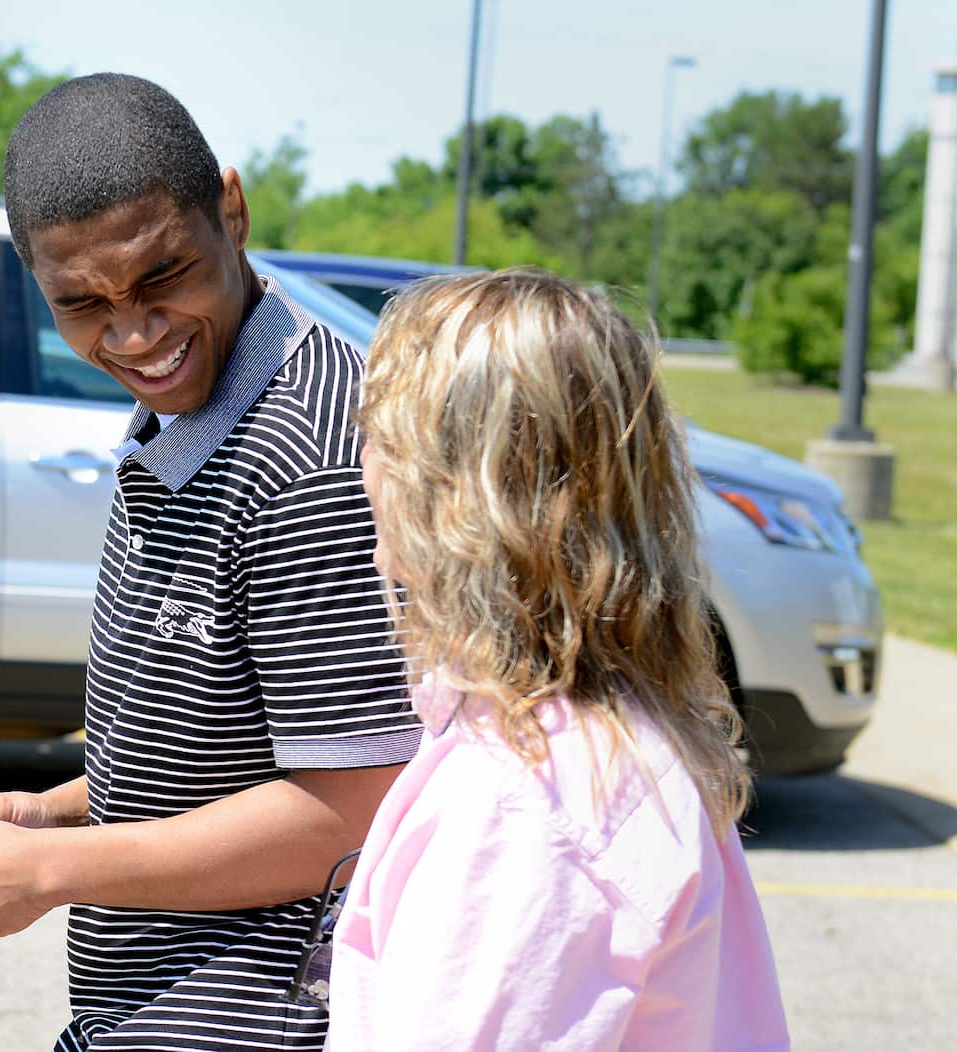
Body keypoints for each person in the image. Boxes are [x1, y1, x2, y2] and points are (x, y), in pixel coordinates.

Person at [0, 73, 420, 1051]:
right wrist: (49, 814)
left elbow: (350, 807)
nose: (131, 333)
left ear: (232, 209)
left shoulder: (313, 457)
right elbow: (217, 745)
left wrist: (48, 874)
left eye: (161, 276)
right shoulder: (191, 414)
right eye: (81, 304)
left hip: (256, 1021)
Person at [325, 268, 790, 1051]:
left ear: (460, 494)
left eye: (381, 438)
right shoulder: (609, 738)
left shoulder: (524, 806)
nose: (361, 467)